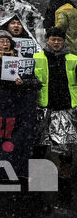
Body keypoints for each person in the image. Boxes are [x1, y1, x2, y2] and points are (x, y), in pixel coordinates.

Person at [33, 27, 77, 208]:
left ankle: (64, 189)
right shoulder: (37, 58)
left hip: (66, 109)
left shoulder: (74, 59)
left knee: (65, 150)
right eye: (53, 39)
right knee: (40, 148)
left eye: (59, 39)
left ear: (64, 41)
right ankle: (39, 189)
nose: (57, 42)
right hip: (44, 108)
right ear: (47, 40)